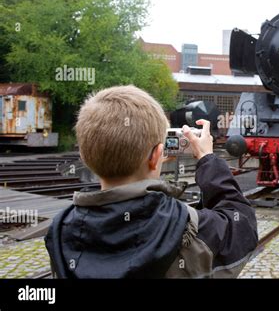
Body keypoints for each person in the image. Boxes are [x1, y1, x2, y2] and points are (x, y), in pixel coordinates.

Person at [45, 85, 258, 278]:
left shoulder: (59, 230)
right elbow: (242, 224)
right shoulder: (186, 226)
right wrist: (208, 160)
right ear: (157, 155)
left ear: (84, 155)